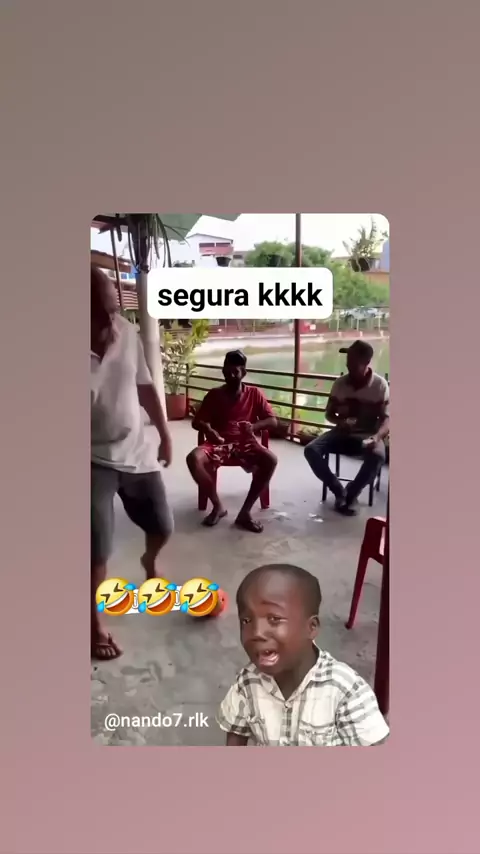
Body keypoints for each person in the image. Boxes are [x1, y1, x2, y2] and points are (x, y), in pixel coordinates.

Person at [91, 265, 174, 660]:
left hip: (136, 450)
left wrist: (166, 434)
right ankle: (94, 626)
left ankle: (149, 561)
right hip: (90, 458)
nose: (112, 321)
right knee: (96, 547)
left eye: (114, 310)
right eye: (102, 313)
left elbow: (145, 386)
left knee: (162, 525)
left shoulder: (127, 332)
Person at [217, 564, 389, 746]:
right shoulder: (247, 683)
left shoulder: (345, 691)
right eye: (246, 620)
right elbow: (235, 736)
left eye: (274, 619)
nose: (257, 632)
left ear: (311, 628)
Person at [186, 350, 278, 533]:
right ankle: (218, 506)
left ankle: (245, 513)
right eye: (227, 372)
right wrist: (209, 430)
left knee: (271, 460)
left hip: (246, 443)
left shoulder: (254, 394)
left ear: (243, 372)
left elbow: (272, 421)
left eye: (235, 372)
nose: (230, 376)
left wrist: (253, 427)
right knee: (193, 459)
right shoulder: (214, 394)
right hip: (218, 443)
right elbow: (197, 421)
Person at [304, 340, 389, 515]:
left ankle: (351, 493)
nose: (348, 364)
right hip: (341, 433)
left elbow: (387, 419)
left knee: (378, 456)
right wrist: (339, 422)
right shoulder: (339, 384)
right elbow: (329, 414)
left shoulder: (380, 386)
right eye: (347, 359)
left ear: (367, 362)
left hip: (368, 435)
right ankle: (338, 490)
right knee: (311, 450)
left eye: (353, 360)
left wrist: (376, 437)